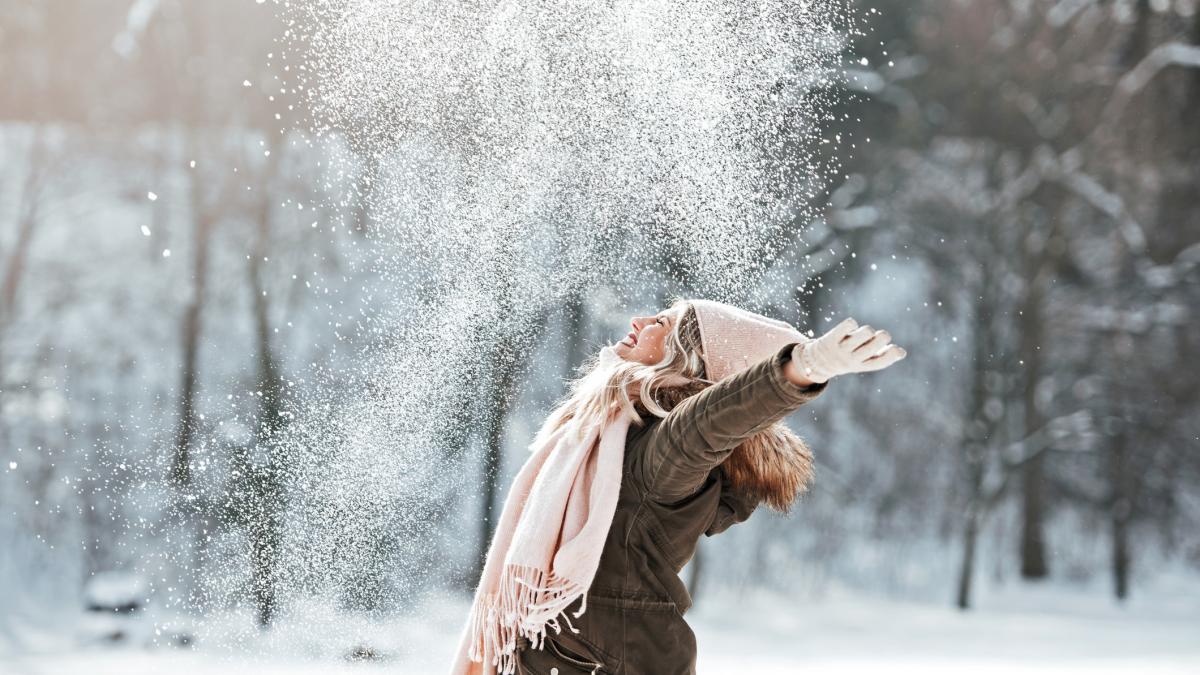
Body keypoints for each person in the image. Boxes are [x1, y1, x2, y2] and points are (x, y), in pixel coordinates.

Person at [451, 298, 906, 675]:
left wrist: (799, 370)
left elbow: (708, 422)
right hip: (584, 651)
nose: (639, 322)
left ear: (688, 360)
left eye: (662, 323)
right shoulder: (610, 435)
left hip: (605, 658)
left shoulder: (665, 450)